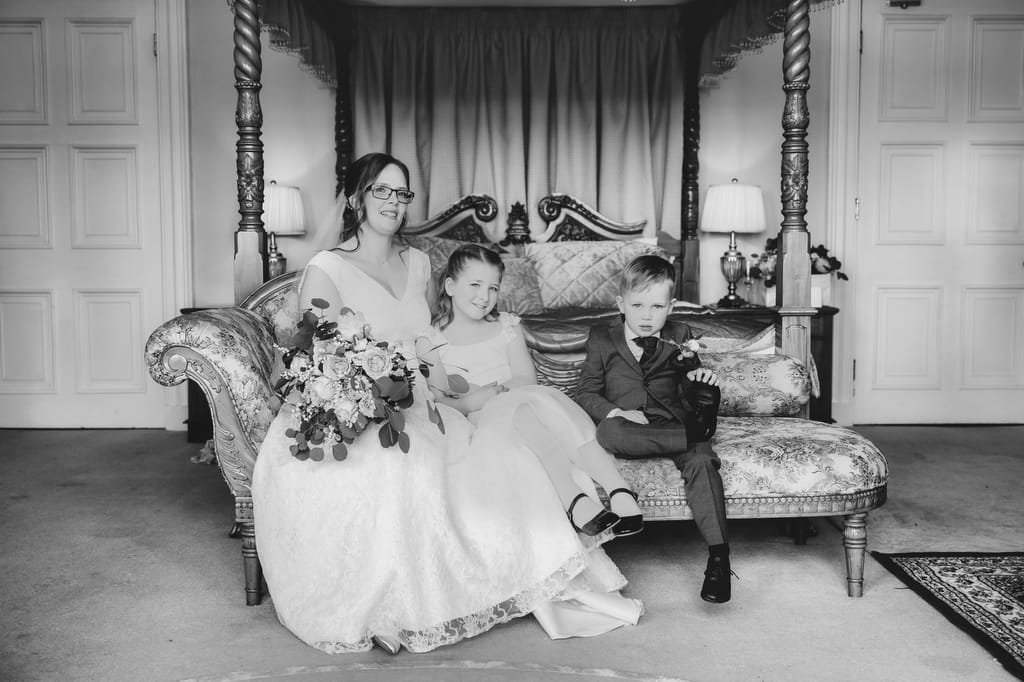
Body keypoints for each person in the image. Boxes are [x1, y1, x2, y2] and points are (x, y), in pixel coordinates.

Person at [252, 153, 596, 655]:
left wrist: (458, 391)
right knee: (394, 467)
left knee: (480, 455)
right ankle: (385, 608)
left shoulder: (418, 265)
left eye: (402, 193)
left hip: (417, 403)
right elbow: (317, 358)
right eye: (381, 191)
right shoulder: (328, 268)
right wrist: (365, 399)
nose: (394, 202)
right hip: (351, 407)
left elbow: (428, 345)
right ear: (356, 198)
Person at [418, 243, 644, 638]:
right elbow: (442, 398)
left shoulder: (505, 325)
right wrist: (481, 397)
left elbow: (525, 378)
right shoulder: (432, 338)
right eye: (474, 285)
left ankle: (617, 492)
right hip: (479, 424)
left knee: (539, 404)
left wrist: (496, 391)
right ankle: (579, 499)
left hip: (520, 402)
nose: (484, 296)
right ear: (450, 285)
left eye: (493, 287)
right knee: (517, 410)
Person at [575, 254, 733, 604]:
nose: (647, 316)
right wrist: (617, 411)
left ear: (671, 305)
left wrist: (699, 380)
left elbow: (689, 385)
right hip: (629, 425)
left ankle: (719, 558)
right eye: (638, 305)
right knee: (607, 433)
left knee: (703, 462)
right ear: (621, 303)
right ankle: (691, 437)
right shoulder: (602, 337)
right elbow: (586, 391)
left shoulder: (680, 334)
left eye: (657, 306)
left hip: (676, 421)